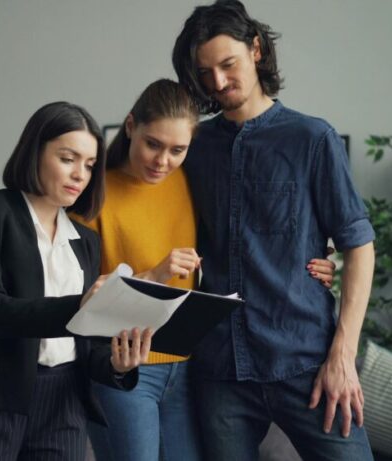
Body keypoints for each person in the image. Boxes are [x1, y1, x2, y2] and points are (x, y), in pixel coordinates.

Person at [74, 79, 338, 461]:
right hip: (124, 365)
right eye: (153, 144)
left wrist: (318, 261)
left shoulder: (188, 180)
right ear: (130, 126)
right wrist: (153, 275)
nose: (162, 161)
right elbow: (79, 300)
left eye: (177, 149)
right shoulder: (94, 194)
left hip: (185, 368)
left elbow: (244, 235)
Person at [172, 1, 376, 459]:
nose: (219, 83)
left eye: (228, 65)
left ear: (256, 49)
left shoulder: (312, 139)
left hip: (304, 360)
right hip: (221, 367)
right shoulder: (194, 147)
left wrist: (342, 356)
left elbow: (358, 243)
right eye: (206, 73)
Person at [0, 101, 154, 461]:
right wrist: (82, 304)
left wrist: (118, 364)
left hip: (65, 403)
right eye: (67, 159)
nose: (80, 175)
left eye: (89, 165)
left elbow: (88, 346)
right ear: (35, 151)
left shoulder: (86, 240)